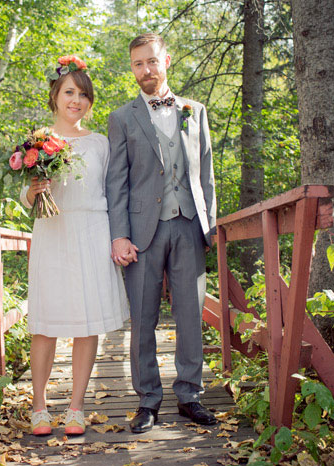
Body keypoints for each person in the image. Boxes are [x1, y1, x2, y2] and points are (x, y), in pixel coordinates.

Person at [105, 33, 217, 433]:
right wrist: (119, 235)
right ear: (132, 68)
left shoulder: (195, 110)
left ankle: (190, 396)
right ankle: (148, 400)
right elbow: (115, 182)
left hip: (188, 225)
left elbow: (206, 173)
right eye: (138, 64)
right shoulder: (121, 118)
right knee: (143, 320)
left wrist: (211, 227)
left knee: (190, 315)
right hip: (141, 231)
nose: (146, 70)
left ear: (166, 60)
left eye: (151, 61)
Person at [20, 55, 129, 437]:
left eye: (83, 94)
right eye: (69, 92)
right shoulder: (38, 141)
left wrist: (120, 236)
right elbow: (26, 197)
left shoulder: (101, 143)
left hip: (92, 232)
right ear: (55, 95)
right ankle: (38, 408)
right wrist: (34, 191)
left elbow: (114, 192)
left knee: (87, 323)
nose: (76, 100)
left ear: (90, 101)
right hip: (53, 232)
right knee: (45, 324)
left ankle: (76, 408)